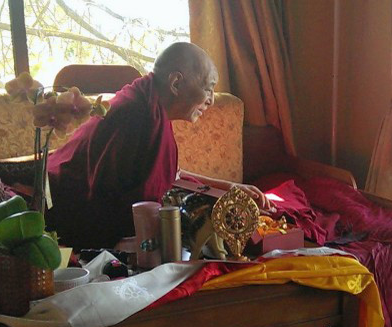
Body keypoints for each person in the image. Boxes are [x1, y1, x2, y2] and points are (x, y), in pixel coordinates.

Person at [47, 42, 271, 249]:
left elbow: (168, 174)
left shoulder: (148, 105)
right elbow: (117, 206)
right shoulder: (136, 115)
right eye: (208, 88)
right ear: (175, 83)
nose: (211, 100)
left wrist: (228, 188)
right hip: (63, 218)